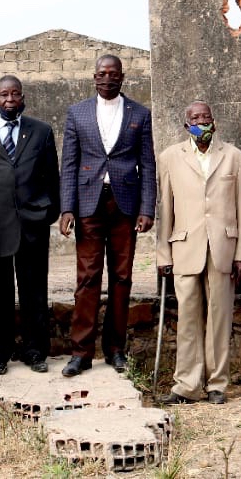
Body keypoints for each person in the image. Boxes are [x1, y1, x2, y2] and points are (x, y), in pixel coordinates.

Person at [58, 54, 156, 377]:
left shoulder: (140, 114)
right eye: (102, 73)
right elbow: (69, 163)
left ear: (122, 77)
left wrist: (147, 208)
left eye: (113, 73)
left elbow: (148, 164)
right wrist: (67, 207)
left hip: (125, 205)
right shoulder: (78, 113)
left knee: (122, 277)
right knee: (87, 278)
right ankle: (81, 352)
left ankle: (115, 350)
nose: (107, 78)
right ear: (94, 77)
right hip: (88, 204)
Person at [0, 75, 60, 375]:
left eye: (15, 94)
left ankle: (36, 352)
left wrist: (48, 214)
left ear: (22, 97)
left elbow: (51, 178)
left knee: (34, 292)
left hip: (32, 226)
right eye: (4, 95)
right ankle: (0, 354)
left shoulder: (41, 132)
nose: (9, 100)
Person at [156, 101, 241, 404]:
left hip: (223, 246)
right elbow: (165, 209)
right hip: (184, 246)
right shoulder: (170, 157)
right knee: (187, 318)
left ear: (215, 122)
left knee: (219, 316)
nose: (201, 122)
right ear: (186, 126)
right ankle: (186, 385)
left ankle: (217, 385)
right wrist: (163, 255)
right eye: (195, 118)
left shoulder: (234, 156)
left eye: (206, 117)